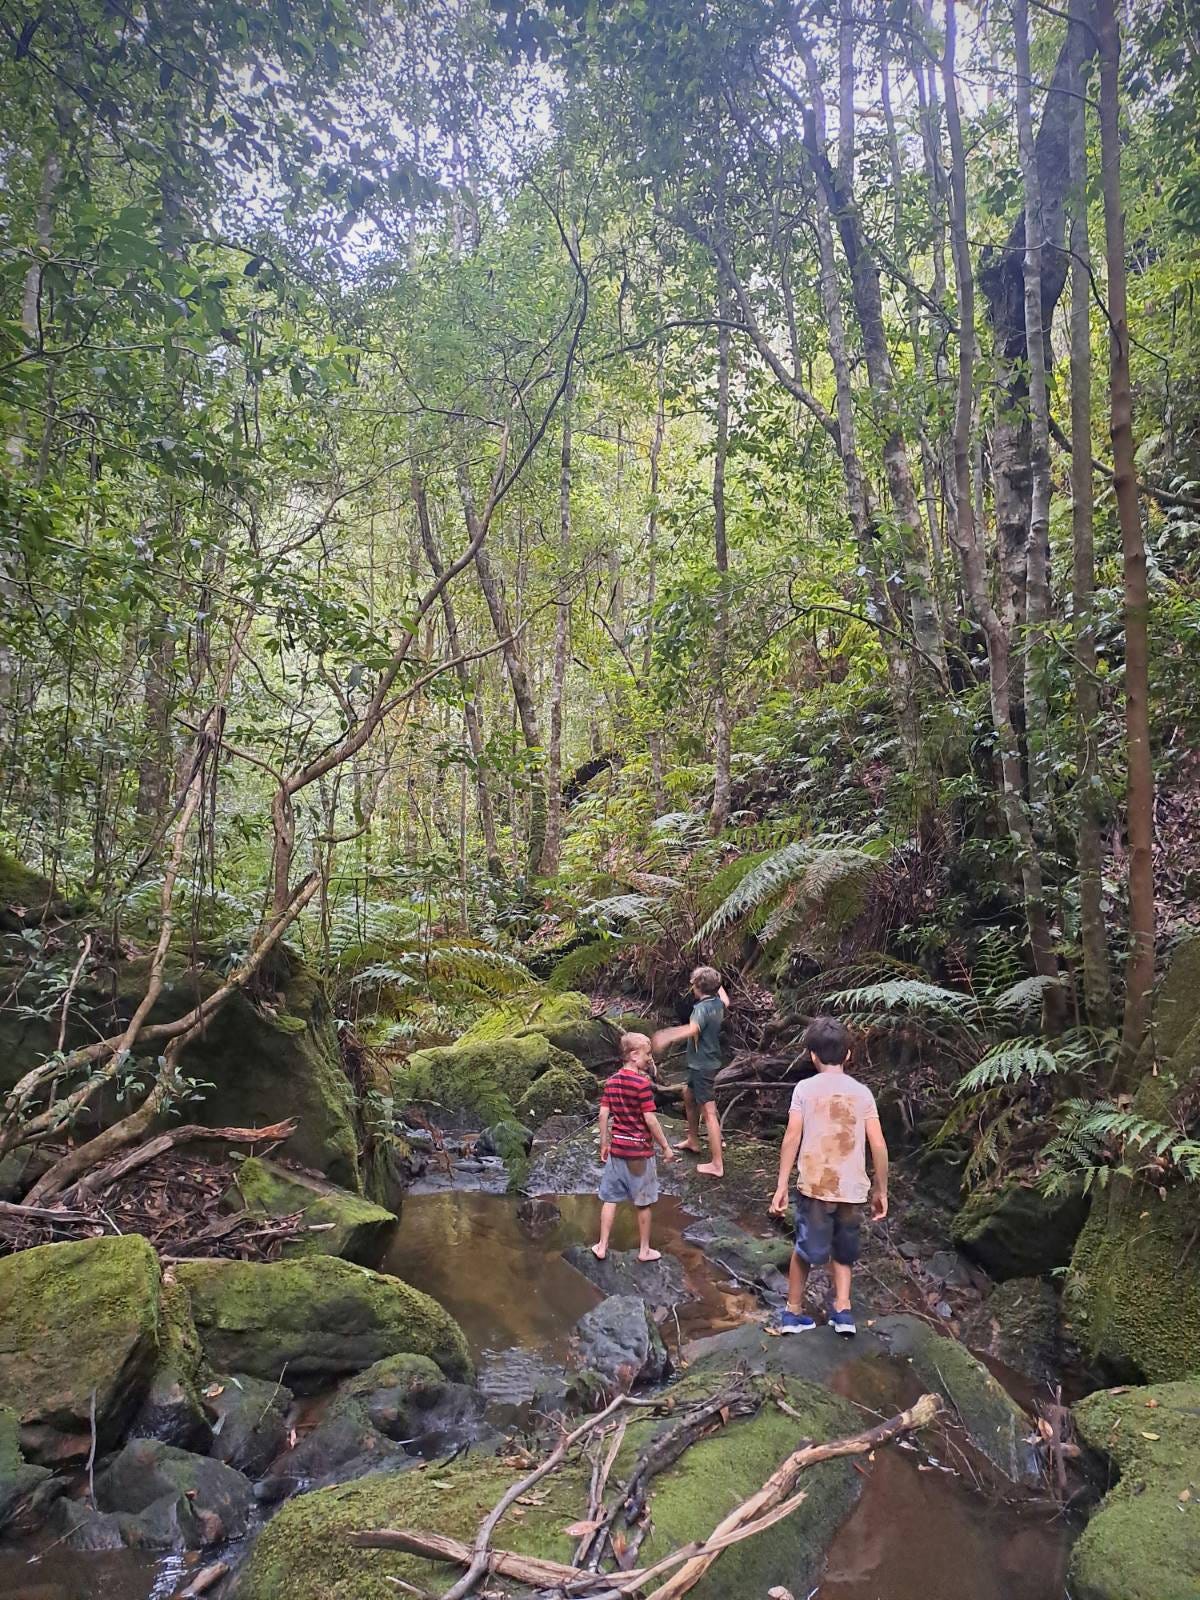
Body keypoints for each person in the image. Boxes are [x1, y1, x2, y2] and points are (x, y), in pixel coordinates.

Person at [768, 1015, 888, 1336]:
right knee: (844, 1251)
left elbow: (792, 1136)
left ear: (812, 1056)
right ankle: (843, 1312)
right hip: (851, 1189)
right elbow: (877, 1143)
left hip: (815, 1186)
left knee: (805, 1249)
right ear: (849, 1055)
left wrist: (781, 1184)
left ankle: (793, 1313)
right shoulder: (862, 1093)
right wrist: (881, 1189)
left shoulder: (804, 1089)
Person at [593, 1031, 676, 1262]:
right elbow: (650, 1119)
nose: (650, 1058)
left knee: (610, 1199)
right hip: (639, 1153)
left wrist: (604, 1143)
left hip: (617, 1151)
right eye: (647, 1054)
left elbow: (603, 1114)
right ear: (633, 1055)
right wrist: (666, 1147)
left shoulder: (611, 1082)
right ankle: (644, 1250)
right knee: (643, 1203)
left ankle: (601, 1246)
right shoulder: (642, 1084)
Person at [652, 965, 728, 1178]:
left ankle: (717, 1164)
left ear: (697, 987)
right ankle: (693, 1140)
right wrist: (718, 984)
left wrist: (667, 1035)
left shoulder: (701, 1009)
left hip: (702, 1066)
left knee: (709, 1113)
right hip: (703, 1064)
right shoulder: (717, 1003)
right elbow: (726, 1000)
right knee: (688, 1094)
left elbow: (693, 1029)